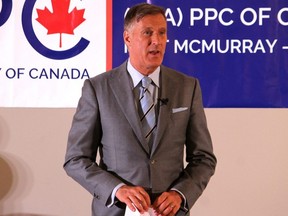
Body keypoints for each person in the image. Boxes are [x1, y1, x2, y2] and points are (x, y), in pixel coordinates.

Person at [64, 3, 216, 216]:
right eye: (148, 33)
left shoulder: (187, 87)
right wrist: (118, 190)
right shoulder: (98, 89)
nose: (157, 41)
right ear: (127, 38)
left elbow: (203, 158)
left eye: (162, 33)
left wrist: (180, 194)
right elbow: (76, 159)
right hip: (116, 211)